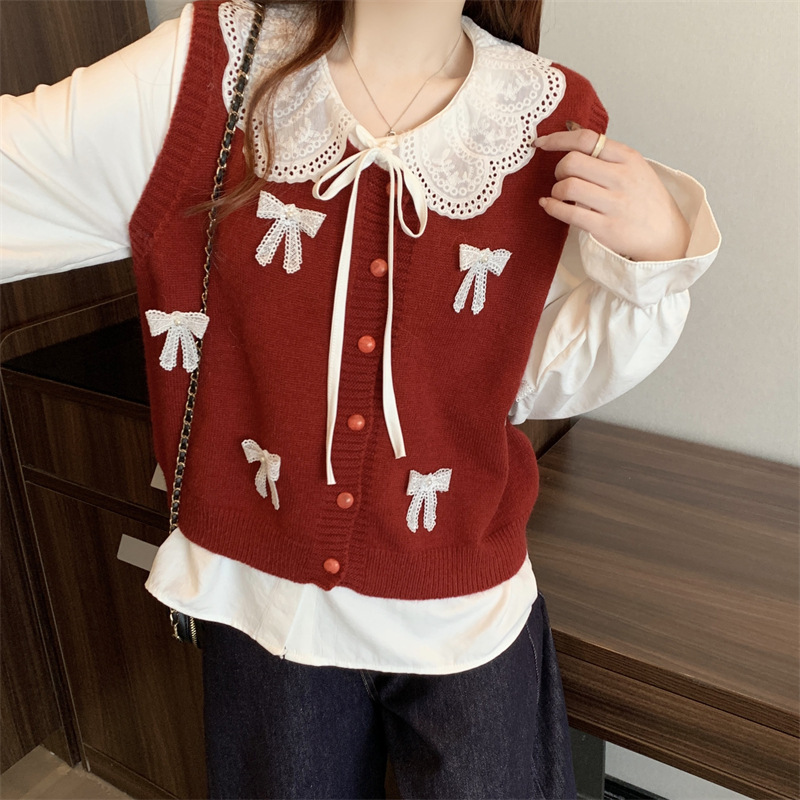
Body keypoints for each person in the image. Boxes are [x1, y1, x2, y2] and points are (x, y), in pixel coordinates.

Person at [0, 0, 721, 797]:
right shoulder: (212, 72)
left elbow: (540, 374)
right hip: (265, 602)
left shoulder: (543, 117)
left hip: (463, 610)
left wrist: (659, 259)